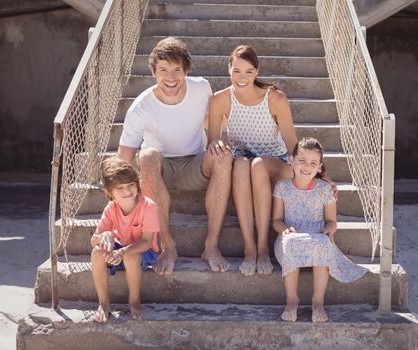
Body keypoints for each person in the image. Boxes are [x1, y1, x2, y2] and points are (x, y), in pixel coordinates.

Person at [118, 37, 233, 275]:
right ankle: (167, 246)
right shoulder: (141, 107)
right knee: (146, 155)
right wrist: (119, 196)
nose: (170, 77)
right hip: (160, 171)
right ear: (153, 72)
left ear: (186, 71)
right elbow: (124, 158)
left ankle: (211, 246)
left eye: (176, 70)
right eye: (163, 70)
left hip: (195, 164)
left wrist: (218, 142)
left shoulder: (201, 88)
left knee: (222, 155)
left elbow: (212, 121)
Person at [209, 45, 297, 276]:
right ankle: (250, 249)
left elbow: (292, 147)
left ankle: (263, 248)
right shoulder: (220, 100)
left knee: (257, 165)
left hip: (277, 162)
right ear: (228, 69)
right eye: (236, 70)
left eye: (248, 71)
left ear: (257, 72)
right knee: (239, 165)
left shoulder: (275, 98)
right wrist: (217, 146)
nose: (242, 77)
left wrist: (319, 175)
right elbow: (212, 142)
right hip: (243, 161)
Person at [272, 137, 368, 323]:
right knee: (290, 242)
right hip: (291, 235)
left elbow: (332, 222)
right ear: (291, 160)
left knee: (322, 243)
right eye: (302, 161)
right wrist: (285, 229)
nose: (307, 167)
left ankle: (318, 302)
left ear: (319, 167)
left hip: (317, 234)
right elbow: (276, 221)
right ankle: (292, 300)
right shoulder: (282, 187)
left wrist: (328, 231)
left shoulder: (324, 190)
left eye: (313, 163)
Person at [90, 157, 160, 323]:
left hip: (145, 252)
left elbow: (147, 242)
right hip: (120, 248)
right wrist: (104, 236)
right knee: (97, 252)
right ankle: (104, 304)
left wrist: (122, 251)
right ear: (109, 193)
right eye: (120, 188)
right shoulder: (111, 208)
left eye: (131, 185)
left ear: (137, 184)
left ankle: (134, 301)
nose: (127, 191)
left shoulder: (148, 206)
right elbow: (93, 240)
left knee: (130, 256)